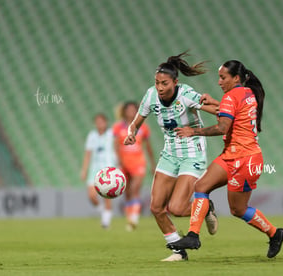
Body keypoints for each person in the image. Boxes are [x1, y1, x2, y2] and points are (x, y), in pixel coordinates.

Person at [168, 60, 283, 258]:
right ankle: (193, 236)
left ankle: (275, 233)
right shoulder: (247, 93)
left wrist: (193, 131)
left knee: (238, 209)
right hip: (231, 155)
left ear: (236, 78)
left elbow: (222, 127)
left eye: (223, 77)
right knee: (201, 187)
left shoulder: (232, 96)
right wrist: (215, 102)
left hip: (245, 159)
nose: (219, 81)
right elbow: (232, 111)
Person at [124, 51, 219, 262]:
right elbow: (136, 122)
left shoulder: (186, 94)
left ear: (175, 82)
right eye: (157, 82)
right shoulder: (150, 96)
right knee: (156, 207)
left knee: (176, 208)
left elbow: (216, 109)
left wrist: (222, 107)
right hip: (169, 153)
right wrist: (131, 134)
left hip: (192, 151)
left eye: (164, 83)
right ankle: (179, 251)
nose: (160, 87)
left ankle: (206, 207)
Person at [113, 101, 156, 231]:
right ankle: (130, 219)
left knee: (134, 189)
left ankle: (134, 219)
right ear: (124, 111)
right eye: (129, 110)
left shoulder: (143, 128)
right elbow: (116, 145)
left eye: (134, 110)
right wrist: (119, 160)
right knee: (126, 192)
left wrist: (153, 163)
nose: (131, 112)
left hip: (138, 162)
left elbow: (148, 147)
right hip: (124, 163)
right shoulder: (118, 127)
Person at [80, 113, 118, 229]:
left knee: (107, 196)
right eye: (97, 122)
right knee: (91, 196)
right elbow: (88, 153)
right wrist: (84, 169)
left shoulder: (112, 134)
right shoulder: (92, 135)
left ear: (106, 122)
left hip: (108, 168)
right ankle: (103, 212)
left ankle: (106, 222)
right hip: (94, 169)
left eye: (101, 121)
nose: (99, 124)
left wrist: (119, 164)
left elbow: (117, 149)